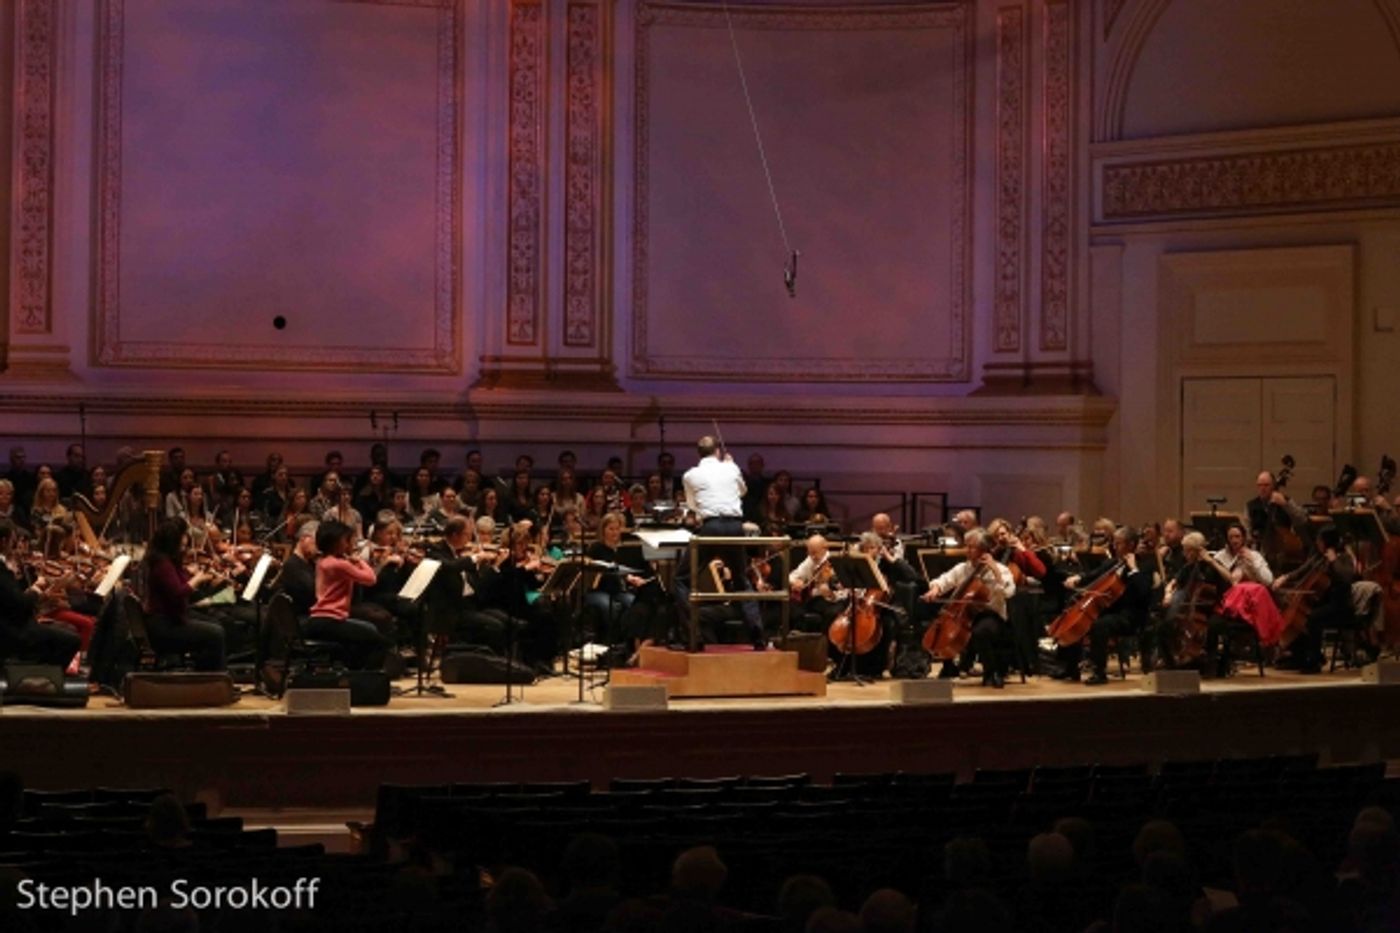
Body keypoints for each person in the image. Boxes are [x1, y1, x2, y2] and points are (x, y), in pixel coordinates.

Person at [920, 529, 1016, 688]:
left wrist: (995, 571)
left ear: (984, 550)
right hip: (966, 615)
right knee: (942, 627)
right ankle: (949, 667)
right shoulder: (963, 568)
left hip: (991, 615)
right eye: (967, 546)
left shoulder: (1001, 569)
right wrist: (935, 589)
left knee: (981, 632)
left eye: (972, 547)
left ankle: (992, 672)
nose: (967, 550)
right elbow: (945, 580)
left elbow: (1008, 592)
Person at [1059, 525, 1154, 685]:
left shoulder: (1145, 565)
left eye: (1119, 543)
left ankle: (1099, 671)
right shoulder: (1113, 563)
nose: (1114, 547)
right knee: (1075, 616)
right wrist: (1077, 580)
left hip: (1131, 616)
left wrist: (1133, 570)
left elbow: (1143, 592)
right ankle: (1070, 668)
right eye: (1114, 543)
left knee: (1100, 625)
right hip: (1111, 611)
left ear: (1131, 545)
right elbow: (1094, 576)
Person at [305, 520, 394, 671]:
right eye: (346, 540)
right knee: (379, 642)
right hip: (330, 620)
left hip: (322, 619)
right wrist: (358, 561)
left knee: (367, 631)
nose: (349, 544)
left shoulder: (323, 561)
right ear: (334, 542)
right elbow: (371, 579)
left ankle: (353, 675)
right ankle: (366, 680)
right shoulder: (339, 564)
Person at [141, 519, 226, 671]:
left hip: (169, 620)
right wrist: (197, 579)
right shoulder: (162, 564)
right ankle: (212, 680)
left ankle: (210, 675)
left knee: (217, 624)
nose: (184, 548)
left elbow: (182, 583)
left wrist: (201, 576)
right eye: (181, 544)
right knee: (216, 634)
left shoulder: (168, 561)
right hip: (163, 627)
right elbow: (178, 593)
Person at [1272, 523, 1356, 674]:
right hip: (1322, 602)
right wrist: (1286, 577)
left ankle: (1314, 660)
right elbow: (1304, 569)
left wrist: (1333, 561)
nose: (1317, 543)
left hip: (1340, 605)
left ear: (1328, 542)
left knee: (1312, 619)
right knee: (1298, 617)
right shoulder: (1319, 556)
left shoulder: (1344, 558)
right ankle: (1300, 656)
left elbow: (1346, 577)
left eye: (1320, 541)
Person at [0, 518, 81, 667]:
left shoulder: (5, 569)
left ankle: (40, 673)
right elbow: (20, 605)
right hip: (11, 632)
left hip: (14, 625)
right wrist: (37, 589)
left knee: (66, 631)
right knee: (72, 640)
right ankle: (43, 678)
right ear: (4, 542)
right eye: (14, 540)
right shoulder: (2, 571)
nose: (16, 546)